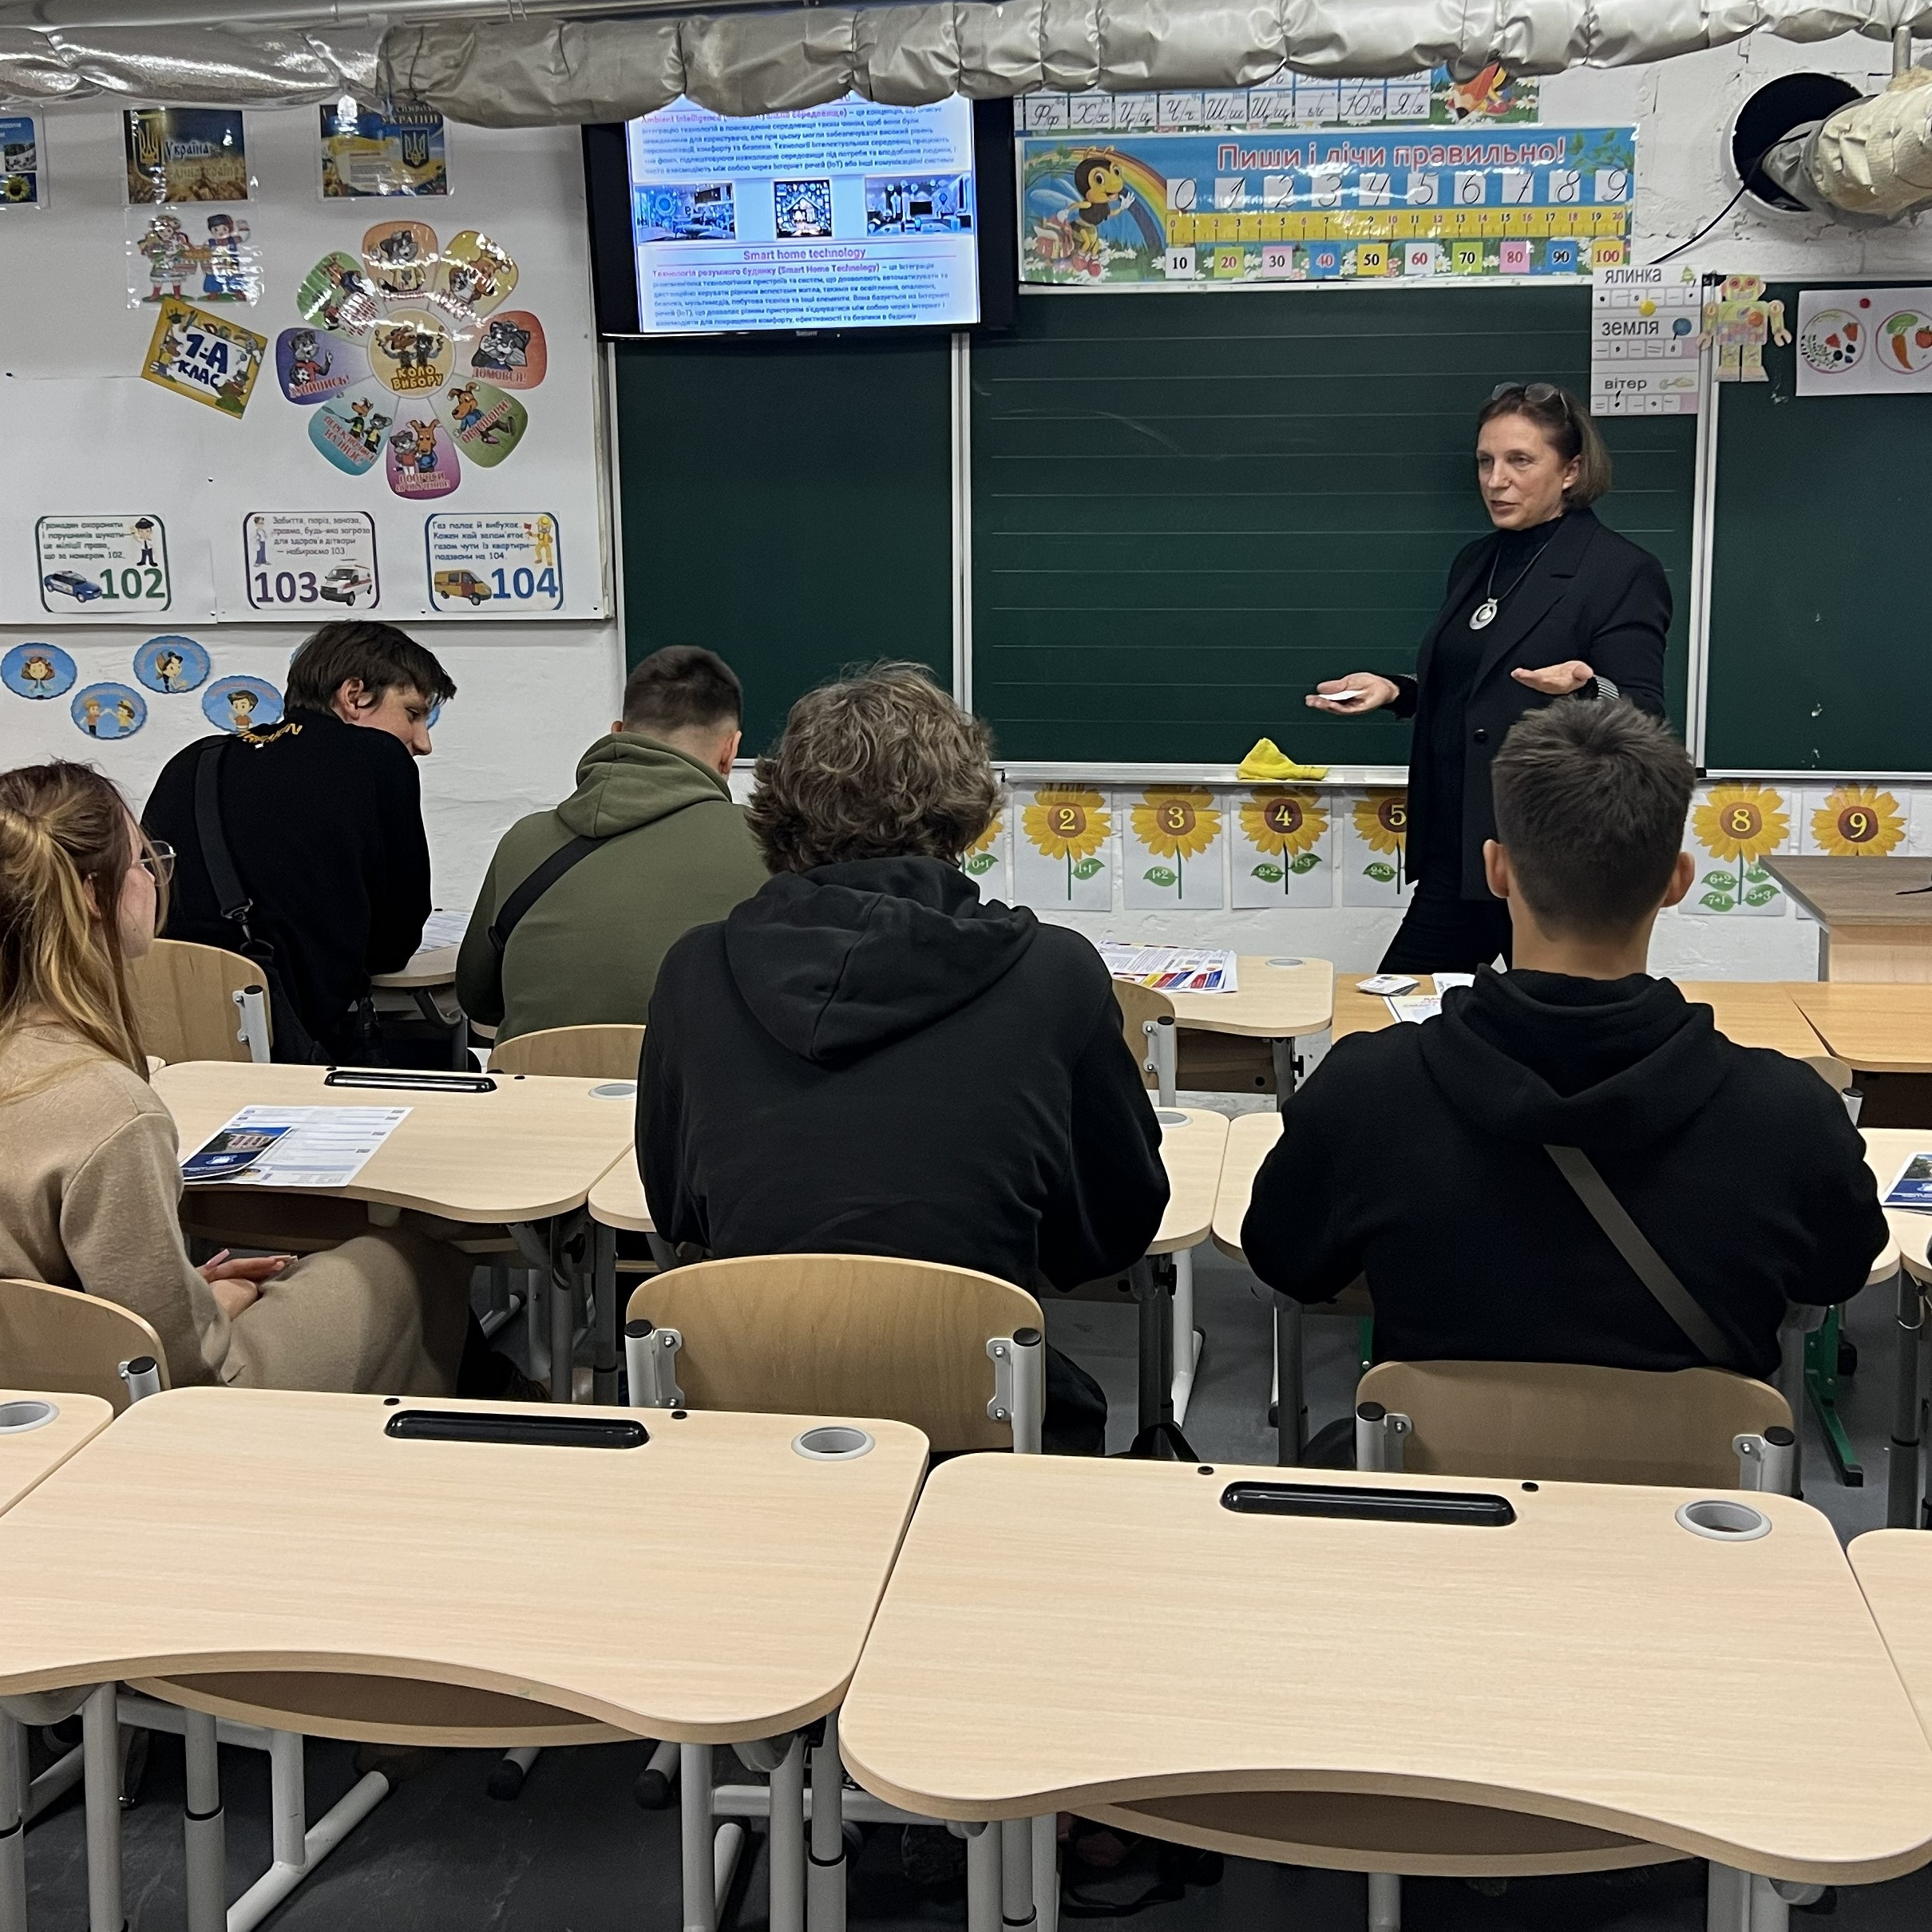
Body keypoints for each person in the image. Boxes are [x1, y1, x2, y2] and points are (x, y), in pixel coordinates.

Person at [1243, 700, 1885, 1381]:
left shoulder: (1366, 1090)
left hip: (1441, 1453)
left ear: (1496, 870)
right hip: (1697, 1456)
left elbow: (1288, 1264)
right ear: (1678, 880)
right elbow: (1836, 1276)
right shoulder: (1789, 1113)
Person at [639, 663, 1168, 1454]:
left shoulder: (695, 969)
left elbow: (677, 1209)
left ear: (780, 805)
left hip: (746, 1417)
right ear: (965, 809)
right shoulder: (1054, 973)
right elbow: (1112, 1228)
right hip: (983, 1423)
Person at [0, 761, 471, 1392]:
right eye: (143, 860)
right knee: (402, 1259)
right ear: (92, 895)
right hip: (144, 1400)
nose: (154, 876)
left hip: (31, 1376)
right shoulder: (107, 1107)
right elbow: (177, 1357)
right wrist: (219, 1304)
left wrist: (187, 1289)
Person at [1306, 382, 1671, 975]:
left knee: (1560, 1019)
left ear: (1572, 470)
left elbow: (1646, 713)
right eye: (1485, 461)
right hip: (1460, 850)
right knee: (1400, 1009)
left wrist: (1585, 689)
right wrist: (1397, 690)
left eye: (1520, 461)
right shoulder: (1477, 562)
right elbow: (1477, 683)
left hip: (1553, 860)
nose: (1496, 480)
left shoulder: (1620, 570)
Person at [144, 622, 453, 1061]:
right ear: (354, 696)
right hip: (299, 1052)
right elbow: (394, 945)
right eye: (413, 714)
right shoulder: (376, 756)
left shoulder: (194, 761)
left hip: (175, 1042)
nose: (422, 742)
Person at [457, 647, 767, 1043]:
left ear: (618, 733)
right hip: (696, 1083)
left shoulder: (522, 842)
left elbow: (477, 998)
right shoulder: (766, 842)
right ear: (730, 750)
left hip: (540, 1082)